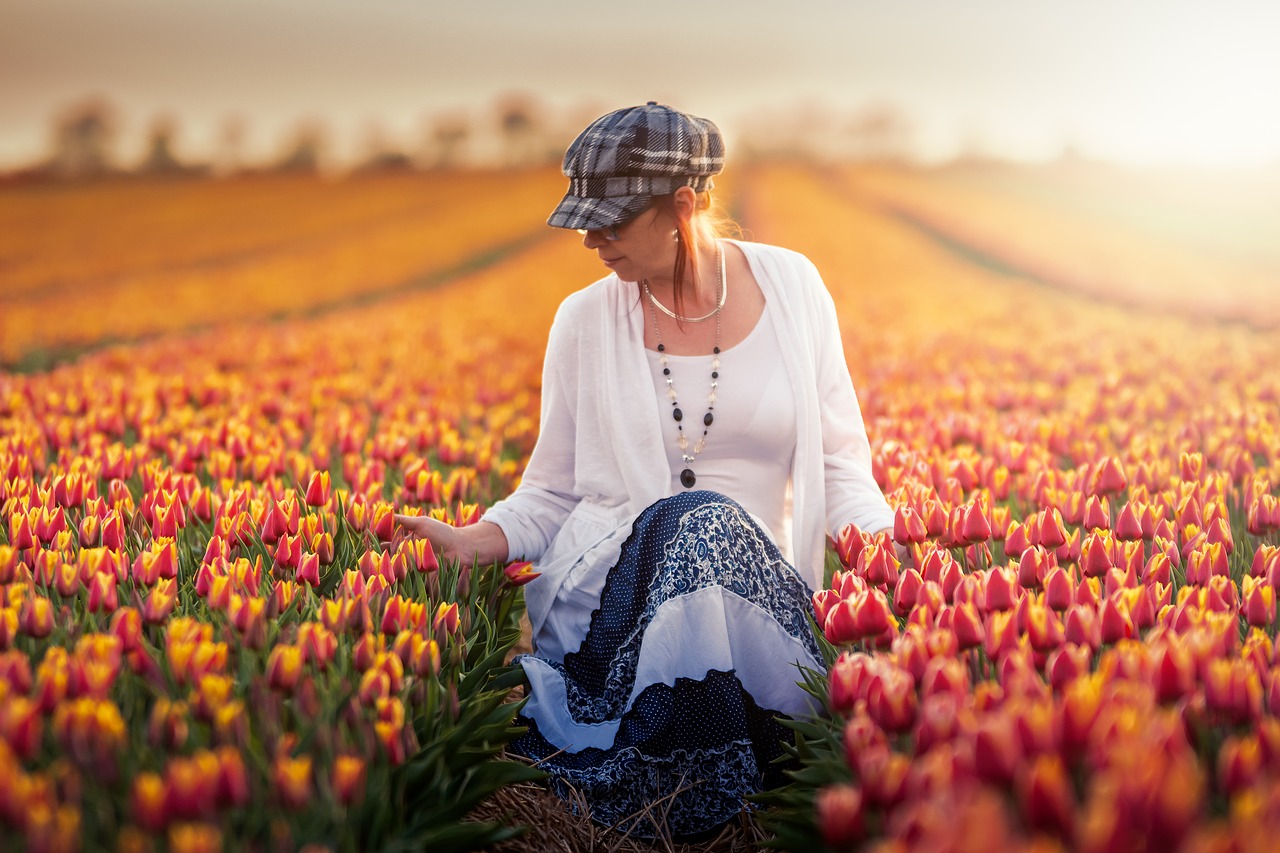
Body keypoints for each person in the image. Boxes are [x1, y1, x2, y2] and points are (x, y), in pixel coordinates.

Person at [395, 102, 897, 839]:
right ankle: (701, 798)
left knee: (705, 523)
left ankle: (688, 784)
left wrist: (899, 557)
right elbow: (552, 489)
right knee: (688, 521)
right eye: (584, 221)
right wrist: (477, 540)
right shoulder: (582, 321)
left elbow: (841, 463)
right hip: (615, 605)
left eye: (612, 221)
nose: (592, 240)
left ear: (682, 206)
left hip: (755, 603)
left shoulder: (795, 291)